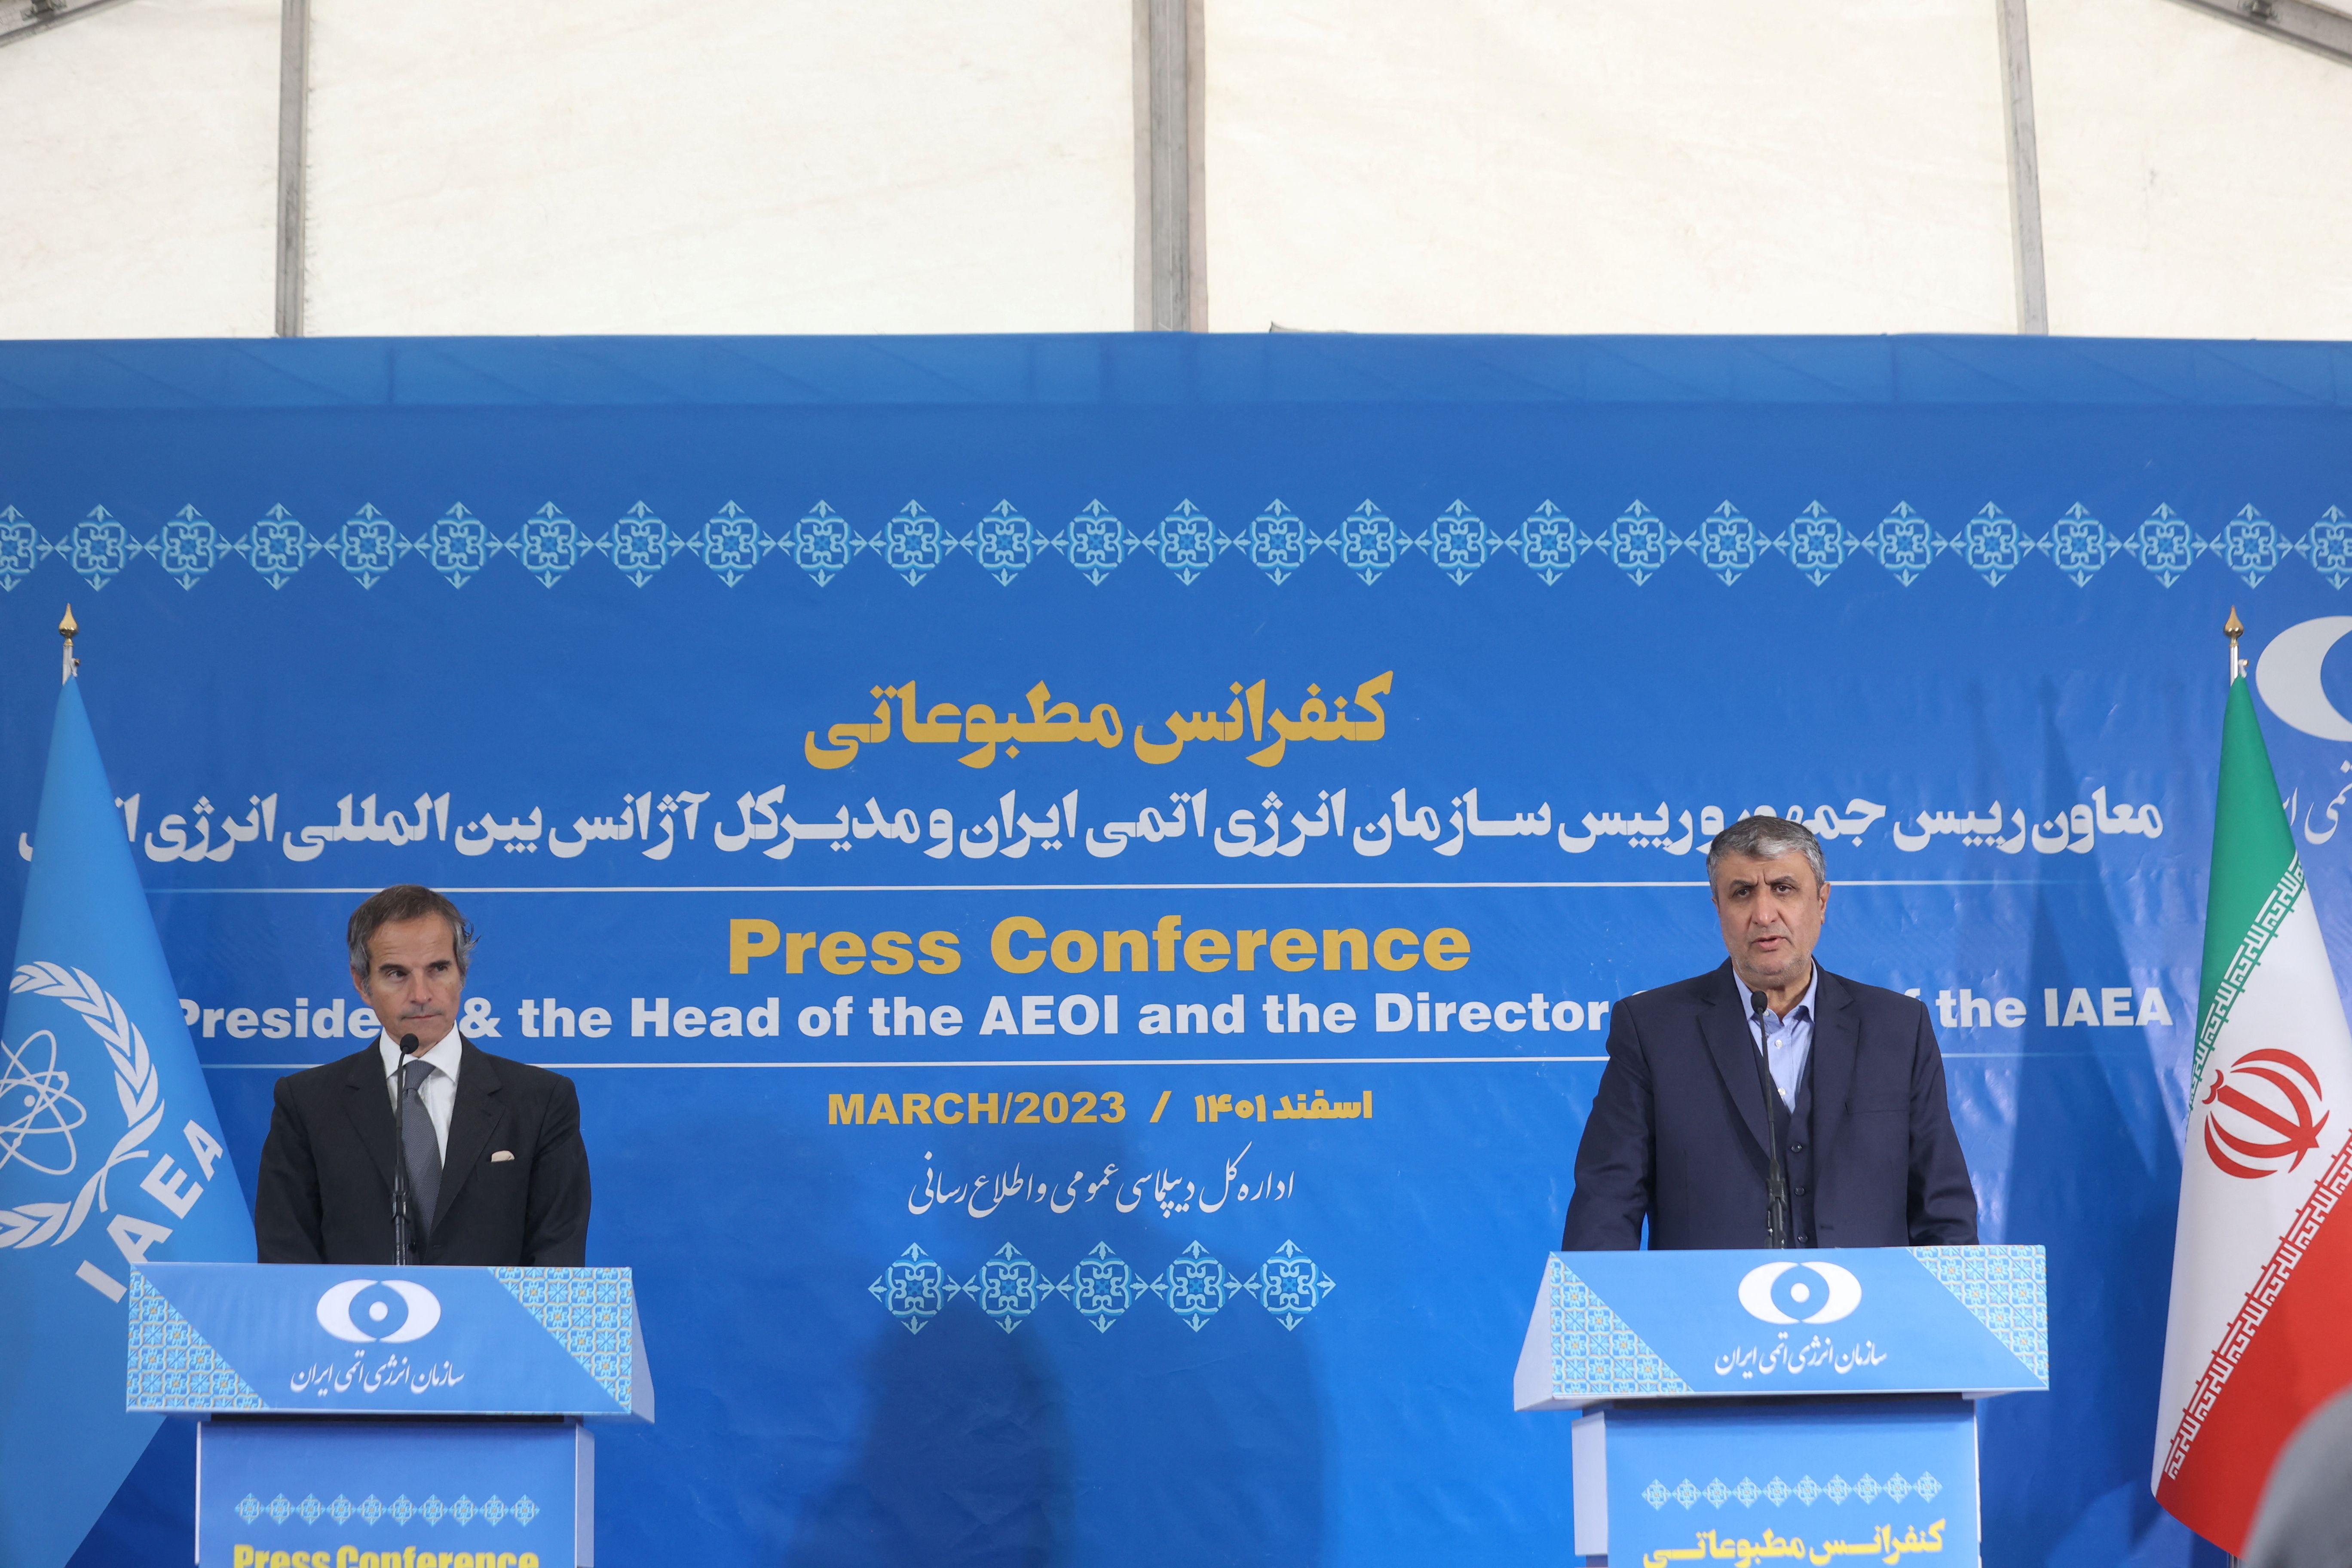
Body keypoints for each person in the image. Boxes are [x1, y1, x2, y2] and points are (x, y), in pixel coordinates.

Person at [1562, 815, 1976, 1250]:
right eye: (1742, 893)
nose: (1763, 914)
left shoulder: (1898, 1027)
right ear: (1719, 910)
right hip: (1708, 1313)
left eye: (1784, 888)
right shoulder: (1652, 1030)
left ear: (1821, 902)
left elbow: (1943, 1210)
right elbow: (1606, 1205)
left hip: (1871, 1313)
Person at [253, 884, 591, 1265]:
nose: (421, 994)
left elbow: (558, 1262)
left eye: (438, 969)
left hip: (494, 1325)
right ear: (362, 984)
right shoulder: (307, 1104)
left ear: (462, 973)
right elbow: (287, 1261)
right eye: (397, 974)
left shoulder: (541, 1101)